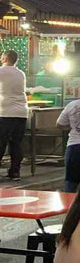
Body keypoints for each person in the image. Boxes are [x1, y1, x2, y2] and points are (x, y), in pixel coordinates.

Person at [0, 50, 28, 181]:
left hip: (5, 112)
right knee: (16, 143)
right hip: (21, 112)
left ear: (5, 58)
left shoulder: (1, 71)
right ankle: (15, 172)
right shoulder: (20, 73)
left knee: (1, 142)